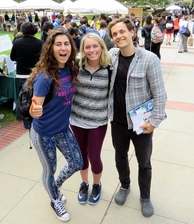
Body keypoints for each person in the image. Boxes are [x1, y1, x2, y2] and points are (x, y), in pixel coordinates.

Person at [107, 18, 167, 218]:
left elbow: (160, 93)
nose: (119, 36)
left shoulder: (150, 59)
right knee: (120, 156)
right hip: (117, 121)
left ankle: (145, 197)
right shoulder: (112, 56)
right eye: (114, 34)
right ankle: (124, 186)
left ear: (132, 32)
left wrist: (155, 121)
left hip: (141, 123)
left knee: (144, 162)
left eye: (122, 31)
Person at [28, 28, 83, 222]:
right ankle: (54, 199)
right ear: (50, 48)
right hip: (44, 133)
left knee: (77, 162)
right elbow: (35, 106)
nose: (63, 47)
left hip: (62, 129)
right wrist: (33, 110)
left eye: (66, 44)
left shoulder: (71, 68)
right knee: (49, 170)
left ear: (71, 47)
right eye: (58, 44)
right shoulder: (45, 77)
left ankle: (55, 188)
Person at [70, 33, 111, 205]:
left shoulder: (110, 67)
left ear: (101, 47)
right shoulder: (76, 66)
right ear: (83, 49)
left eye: (95, 46)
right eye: (87, 47)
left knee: (94, 156)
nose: (91, 50)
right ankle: (84, 183)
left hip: (98, 121)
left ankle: (96, 184)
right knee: (81, 155)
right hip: (77, 120)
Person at [10, 22, 44, 129]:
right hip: (37, 73)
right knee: (38, 97)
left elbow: (12, 57)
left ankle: (27, 122)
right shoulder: (40, 43)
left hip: (22, 74)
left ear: (22, 31)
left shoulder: (17, 43)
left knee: (25, 99)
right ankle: (37, 119)